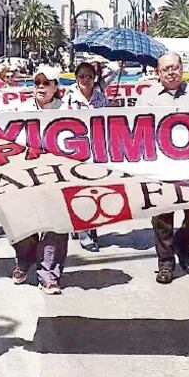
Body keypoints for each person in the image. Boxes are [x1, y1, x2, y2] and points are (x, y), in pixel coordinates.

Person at [136, 52, 189, 284]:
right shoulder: (147, 97)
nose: (171, 72)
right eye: (166, 68)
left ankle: (183, 247)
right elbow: (136, 130)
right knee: (162, 214)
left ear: (182, 69)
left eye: (175, 67)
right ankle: (165, 264)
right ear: (158, 72)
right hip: (160, 165)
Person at [10, 65, 70, 295]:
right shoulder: (19, 109)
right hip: (25, 176)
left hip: (58, 177)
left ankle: (49, 274)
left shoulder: (69, 111)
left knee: (55, 226)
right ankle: (24, 261)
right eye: (37, 83)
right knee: (23, 224)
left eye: (46, 83)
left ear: (56, 87)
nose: (41, 87)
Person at [62, 61, 110, 252]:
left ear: (95, 78)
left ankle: (90, 227)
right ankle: (83, 231)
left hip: (96, 150)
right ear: (76, 78)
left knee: (95, 190)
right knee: (79, 191)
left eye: (89, 76)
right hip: (73, 151)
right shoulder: (68, 97)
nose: (85, 80)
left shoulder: (100, 98)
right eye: (81, 76)